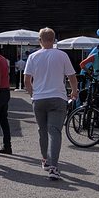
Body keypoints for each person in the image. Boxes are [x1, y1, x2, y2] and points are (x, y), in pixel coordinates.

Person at [23, 28, 78, 181]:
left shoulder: (33, 56)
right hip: (57, 98)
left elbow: (27, 80)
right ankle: (53, 167)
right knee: (54, 132)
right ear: (54, 40)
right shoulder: (62, 55)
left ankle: (45, 160)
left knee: (42, 130)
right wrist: (74, 91)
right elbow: (71, 77)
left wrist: (33, 94)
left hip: (39, 99)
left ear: (39, 40)